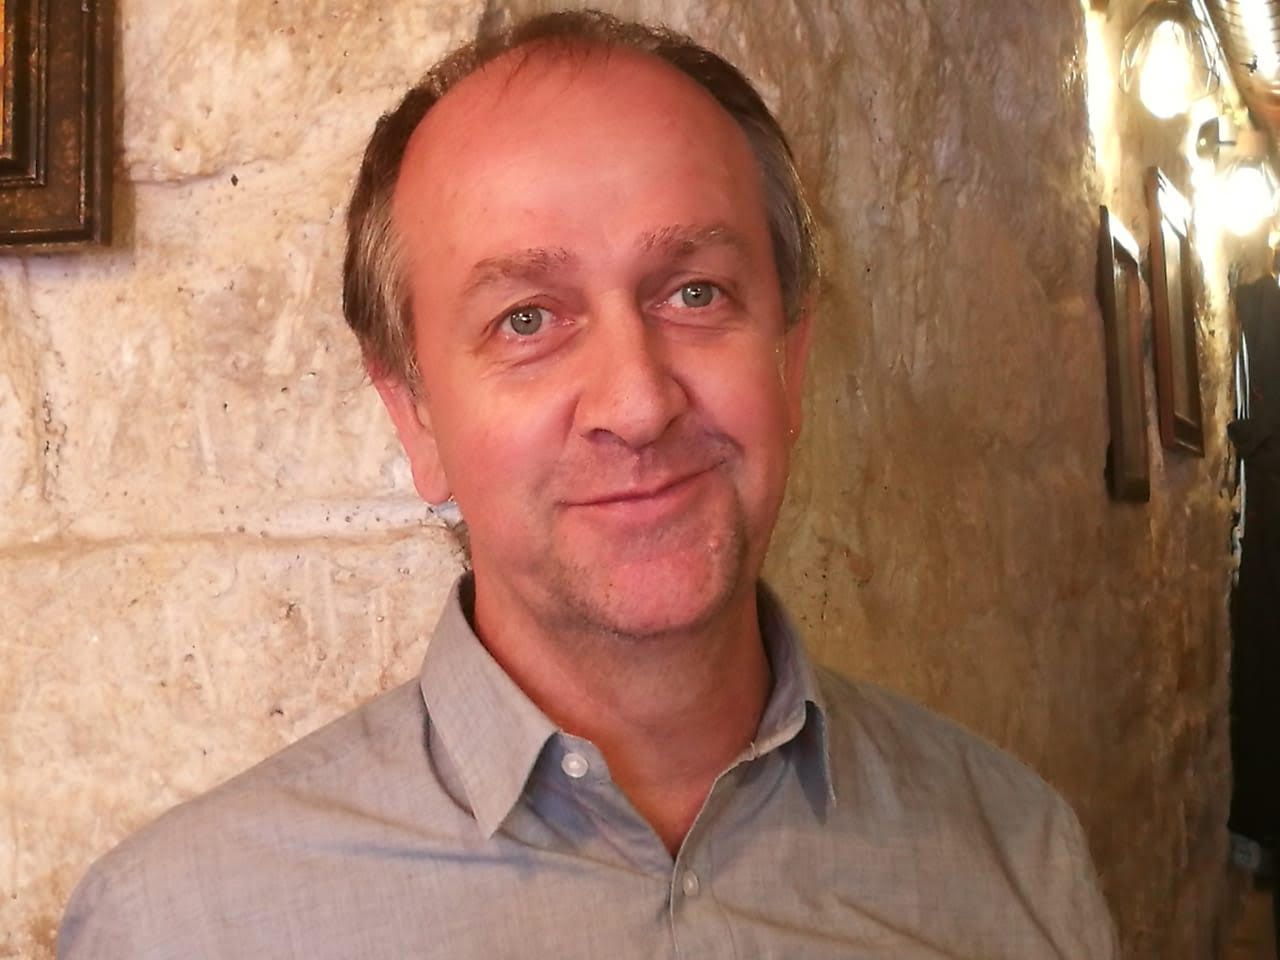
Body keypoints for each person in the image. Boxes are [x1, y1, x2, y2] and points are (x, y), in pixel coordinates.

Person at [59, 10, 1117, 958]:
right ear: (415, 415)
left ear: (789, 365)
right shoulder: (179, 928)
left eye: (695, 293)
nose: (638, 403)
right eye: (526, 318)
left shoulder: (1017, 858)